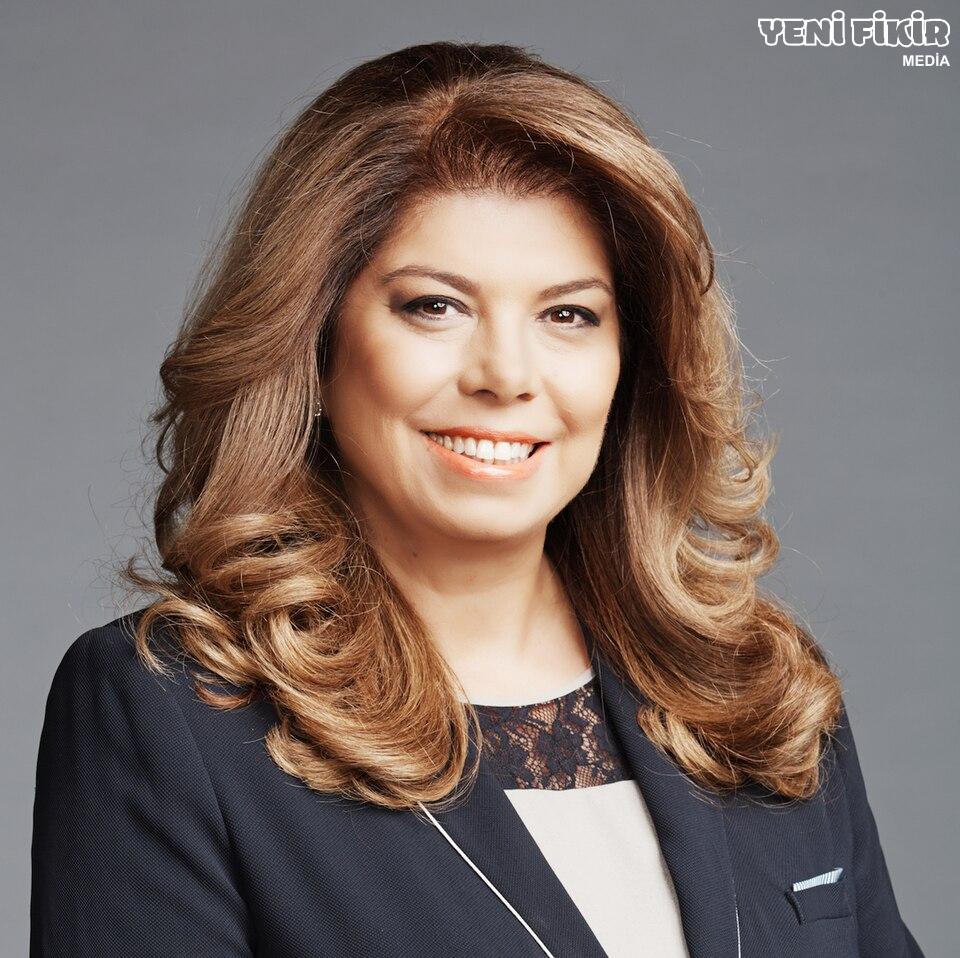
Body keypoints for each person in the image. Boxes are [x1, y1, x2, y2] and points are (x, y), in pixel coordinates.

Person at [30, 41, 924, 958]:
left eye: (569, 314)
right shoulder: (172, 713)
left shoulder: (756, 692)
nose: (506, 375)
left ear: (632, 363)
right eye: (435, 306)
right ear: (314, 343)